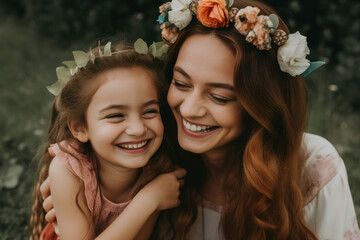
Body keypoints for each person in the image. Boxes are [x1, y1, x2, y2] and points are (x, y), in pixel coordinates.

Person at [39, 0, 360, 239]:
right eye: (180, 83)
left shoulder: (313, 165)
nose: (190, 109)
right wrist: (76, 201)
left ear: (258, 105)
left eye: (219, 97)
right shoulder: (152, 157)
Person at [29, 42, 186, 240]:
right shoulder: (69, 169)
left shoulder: (158, 168)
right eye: (116, 116)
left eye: (149, 111)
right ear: (79, 127)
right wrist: (148, 200)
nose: (138, 129)